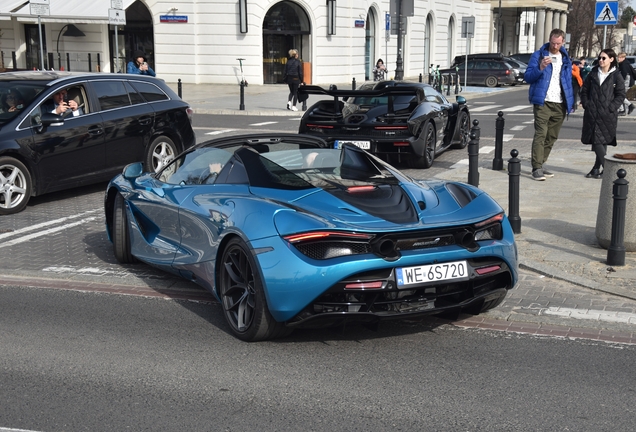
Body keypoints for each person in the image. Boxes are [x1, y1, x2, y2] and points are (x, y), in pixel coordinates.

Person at [524, 28, 575, 181]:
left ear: (563, 42)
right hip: (543, 101)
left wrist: (571, 102)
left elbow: (567, 82)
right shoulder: (539, 55)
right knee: (541, 134)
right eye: (553, 43)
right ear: (549, 40)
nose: (555, 46)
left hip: (560, 103)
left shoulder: (565, 58)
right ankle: (536, 167)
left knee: (552, 136)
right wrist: (540, 68)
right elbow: (528, 77)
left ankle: (541, 162)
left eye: (558, 44)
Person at [580, 48, 625, 179]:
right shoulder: (594, 73)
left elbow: (621, 94)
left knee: (600, 141)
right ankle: (596, 169)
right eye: (599, 58)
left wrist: (612, 107)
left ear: (611, 59)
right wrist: (586, 103)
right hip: (592, 113)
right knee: (598, 141)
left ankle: (607, 169)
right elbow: (584, 90)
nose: (600, 60)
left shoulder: (616, 75)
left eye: (604, 58)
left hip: (607, 115)